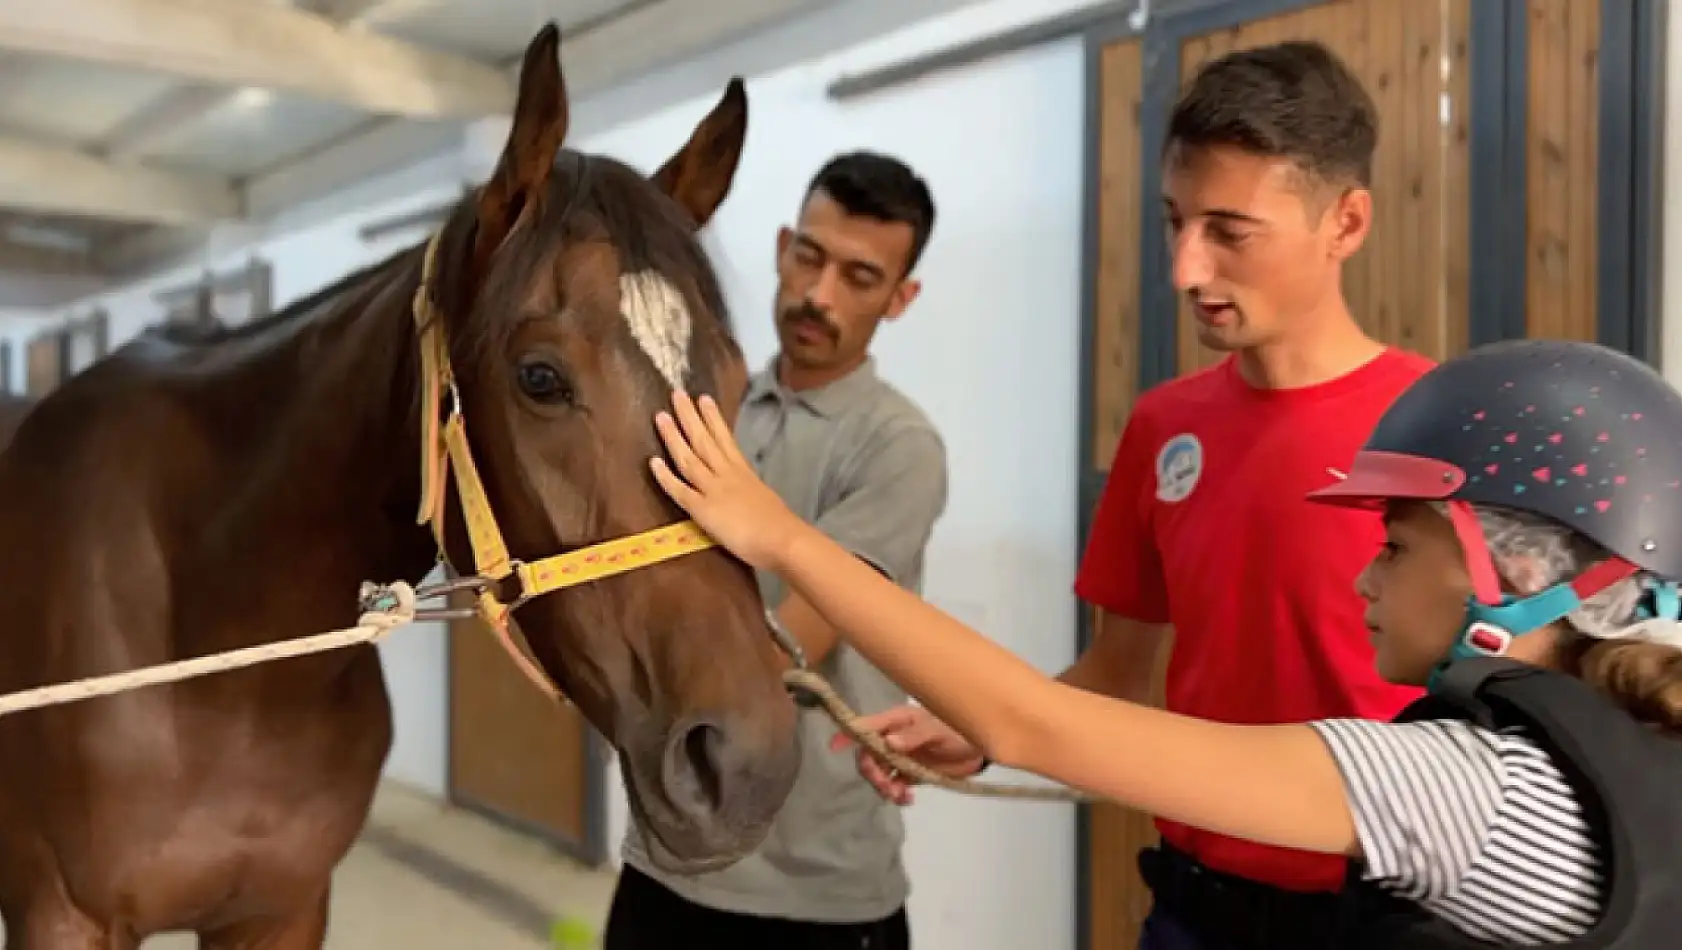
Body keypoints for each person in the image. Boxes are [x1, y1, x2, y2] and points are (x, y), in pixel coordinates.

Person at [648, 336, 1682, 949]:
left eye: (1397, 544)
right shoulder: (1628, 748)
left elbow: (1032, 719)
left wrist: (775, 530)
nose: (1365, 574)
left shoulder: (1458, 787)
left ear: (1519, 577)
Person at [821, 39, 1438, 949]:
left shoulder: (1437, 429)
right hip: (1194, 910)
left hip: (1387, 912)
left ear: (1346, 223)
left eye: (1229, 231)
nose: (1186, 268)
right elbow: (1118, 676)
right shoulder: (1162, 431)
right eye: (1174, 221)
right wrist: (986, 731)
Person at [606, 150, 949, 950]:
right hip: (667, 859)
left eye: (860, 278)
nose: (819, 295)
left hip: (815, 894)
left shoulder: (897, 445)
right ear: (782, 246)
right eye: (810, 257)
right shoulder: (706, 411)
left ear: (901, 299)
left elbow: (796, 640)